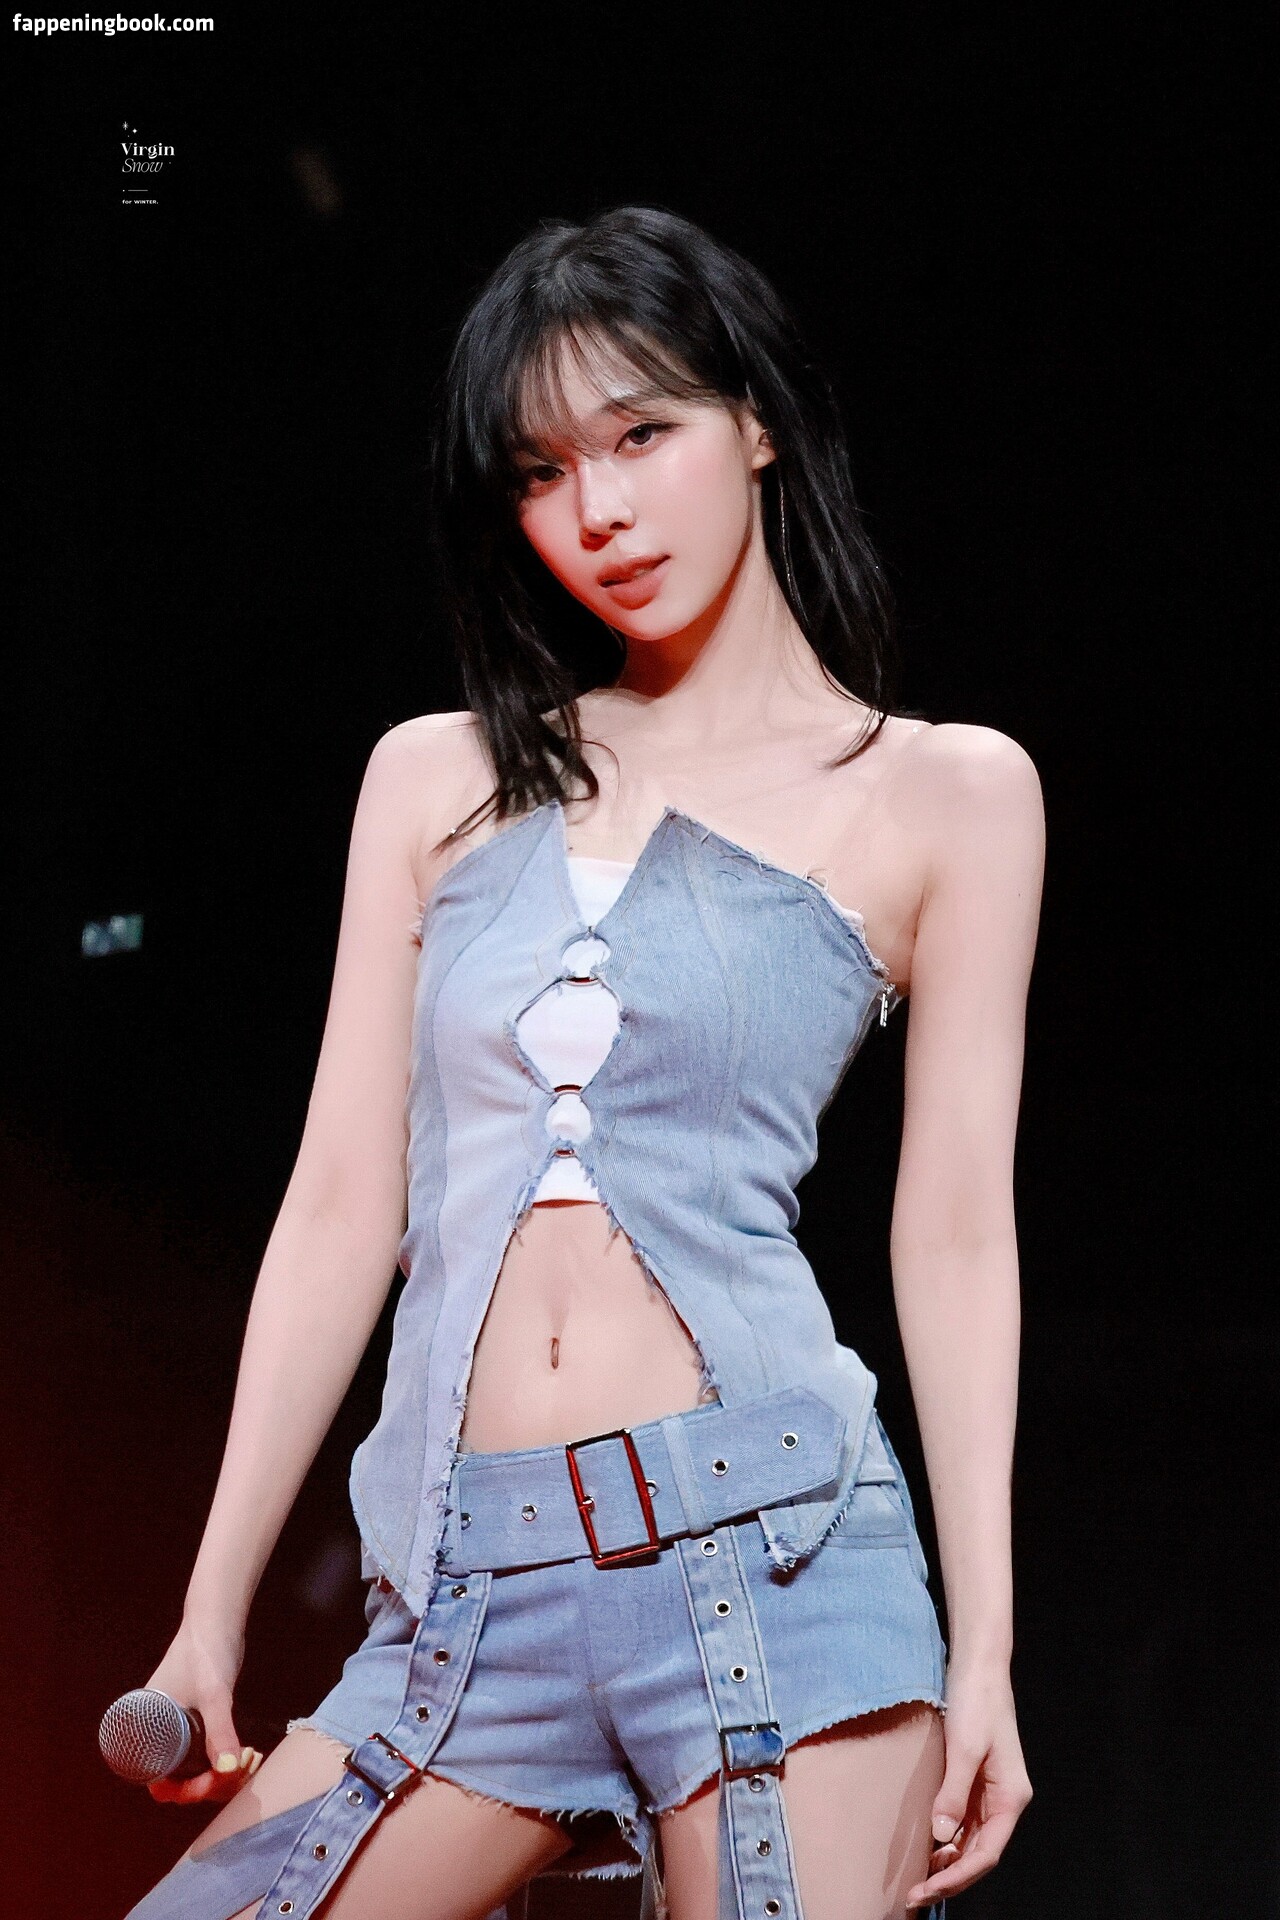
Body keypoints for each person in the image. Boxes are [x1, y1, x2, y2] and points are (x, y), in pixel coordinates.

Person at [124, 205, 1041, 1920]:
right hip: (463, 1593)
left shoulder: (947, 793)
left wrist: (985, 1651)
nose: (598, 510)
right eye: (541, 472)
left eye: (641, 434)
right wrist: (211, 1606)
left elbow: (956, 1234)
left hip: (782, 1559)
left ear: (756, 423)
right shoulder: (435, 778)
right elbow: (343, 1206)